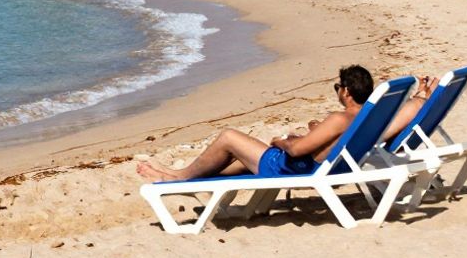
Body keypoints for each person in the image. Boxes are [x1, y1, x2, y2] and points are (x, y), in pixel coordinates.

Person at [136, 65, 375, 182]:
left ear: (346, 91)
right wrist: (314, 132)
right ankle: (179, 173)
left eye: (337, 88)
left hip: (292, 169)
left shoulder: (339, 118)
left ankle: (180, 177)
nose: (337, 92)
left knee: (229, 137)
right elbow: (329, 144)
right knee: (239, 157)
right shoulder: (366, 117)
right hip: (326, 168)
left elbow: (297, 150)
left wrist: (282, 141)